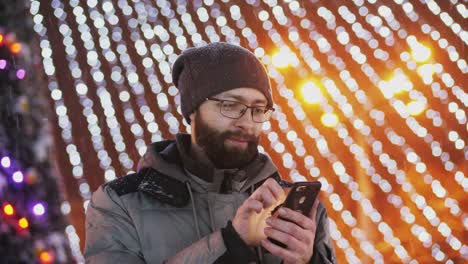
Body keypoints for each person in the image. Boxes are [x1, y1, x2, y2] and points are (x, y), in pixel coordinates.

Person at [84, 42, 337, 263]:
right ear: (192, 110)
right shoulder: (119, 202)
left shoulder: (295, 207)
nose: (247, 122)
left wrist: (308, 261)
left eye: (258, 110)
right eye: (231, 105)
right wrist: (230, 242)